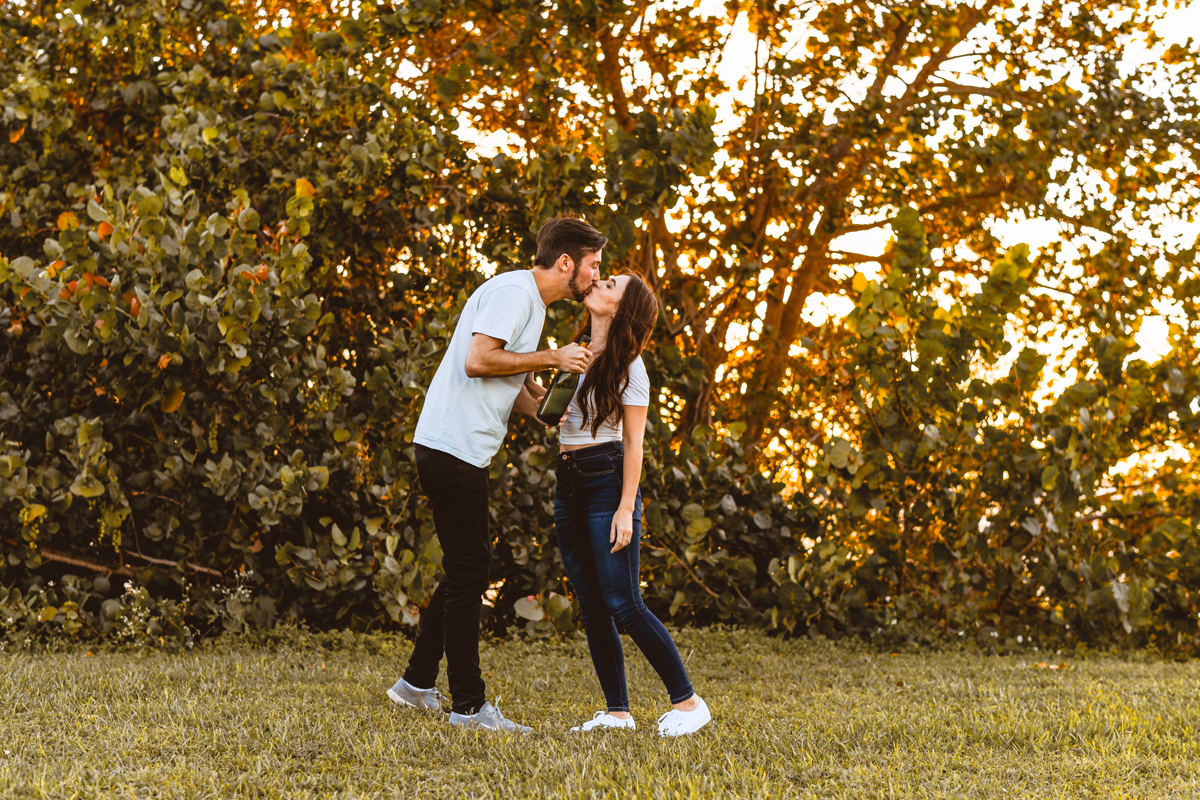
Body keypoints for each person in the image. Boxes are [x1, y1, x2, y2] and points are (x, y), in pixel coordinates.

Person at [387, 217, 606, 733]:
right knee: (470, 573)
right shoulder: (514, 292)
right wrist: (552, 355)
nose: (597, 278)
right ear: (566, 263)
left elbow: (518, 389)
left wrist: (558, 416)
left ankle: (415, 684)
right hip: (452, 446)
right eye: (593, 266)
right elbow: (478, 360)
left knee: (465, 568)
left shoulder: (530, 304)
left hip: (459, 448)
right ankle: (468, 707)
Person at [554, 272, 712, 737]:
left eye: (610, 286)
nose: (598, 283)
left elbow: (635, 446)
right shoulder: (574, 353)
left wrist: (626, 507)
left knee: (625, 602)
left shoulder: (631, 366)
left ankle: (688, 703)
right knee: (591, 603)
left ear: (622, 309)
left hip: (607, 481)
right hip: (568, 481)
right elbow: (563, 421)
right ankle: (617, 713)